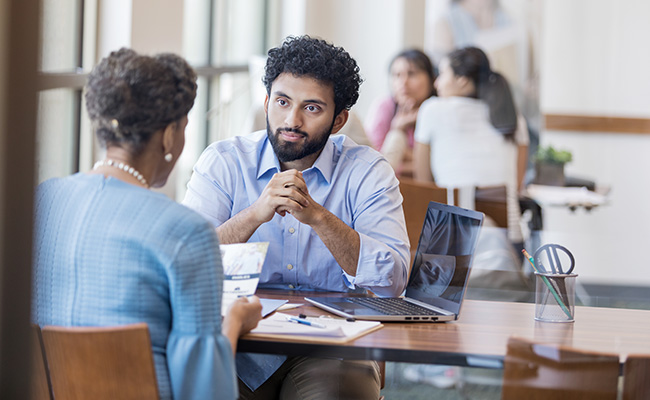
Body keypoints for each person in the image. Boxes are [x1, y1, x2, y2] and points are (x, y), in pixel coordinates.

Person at [183, 35, 410, 400]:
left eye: (312, 108)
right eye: (283, 102)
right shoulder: (223, 162)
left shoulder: (369, 171)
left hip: (332, 345)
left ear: (339, 120)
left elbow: (392, 279)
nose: (292, 120)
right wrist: (255, 215)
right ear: (267, 102)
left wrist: (320, 218)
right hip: (240, 340)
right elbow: (186, 261)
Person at [31, 48, 263, 400]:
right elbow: (204, 391)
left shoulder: (41, 200)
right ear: (169, 134)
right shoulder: (186, 232)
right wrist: (234, 321)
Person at [413, 46, 528, 244]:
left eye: (442, 74)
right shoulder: (511, 117)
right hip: (509, 240)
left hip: (452, 240)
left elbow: (425, 184)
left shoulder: (432, 110)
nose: (437, 83)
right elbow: (517, 184)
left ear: (462, 80)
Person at [364, 49, 436, 174]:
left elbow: (443, 163)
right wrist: (398, 128)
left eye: (412, 74)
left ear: (431, 79)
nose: (403, 82)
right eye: (397, 75)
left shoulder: (437, 110)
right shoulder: (385, 106)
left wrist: (405, 155)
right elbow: (374, 161)